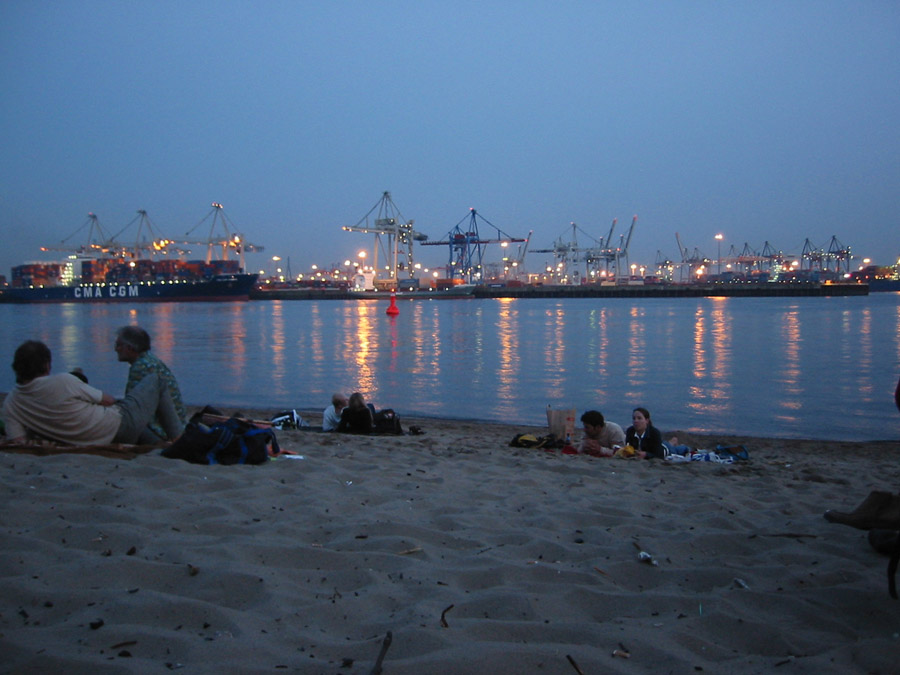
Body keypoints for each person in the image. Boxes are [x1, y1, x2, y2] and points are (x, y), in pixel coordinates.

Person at [2, 339, 183, 445]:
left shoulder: (10, 404)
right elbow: (108, 401)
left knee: (131, 419)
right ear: (46, 365)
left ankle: (159, 445)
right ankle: (178, 440)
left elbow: (19, 441)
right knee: (156, 380)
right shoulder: (63, 381)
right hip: (116, 427)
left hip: (91, 439)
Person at [115, 325, 186, 443]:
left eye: (118, 345)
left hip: (161, 432)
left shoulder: (141, 367)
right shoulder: (151, 360)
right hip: (175, 427)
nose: (115, 349)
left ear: (130, 348)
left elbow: (133, 408)